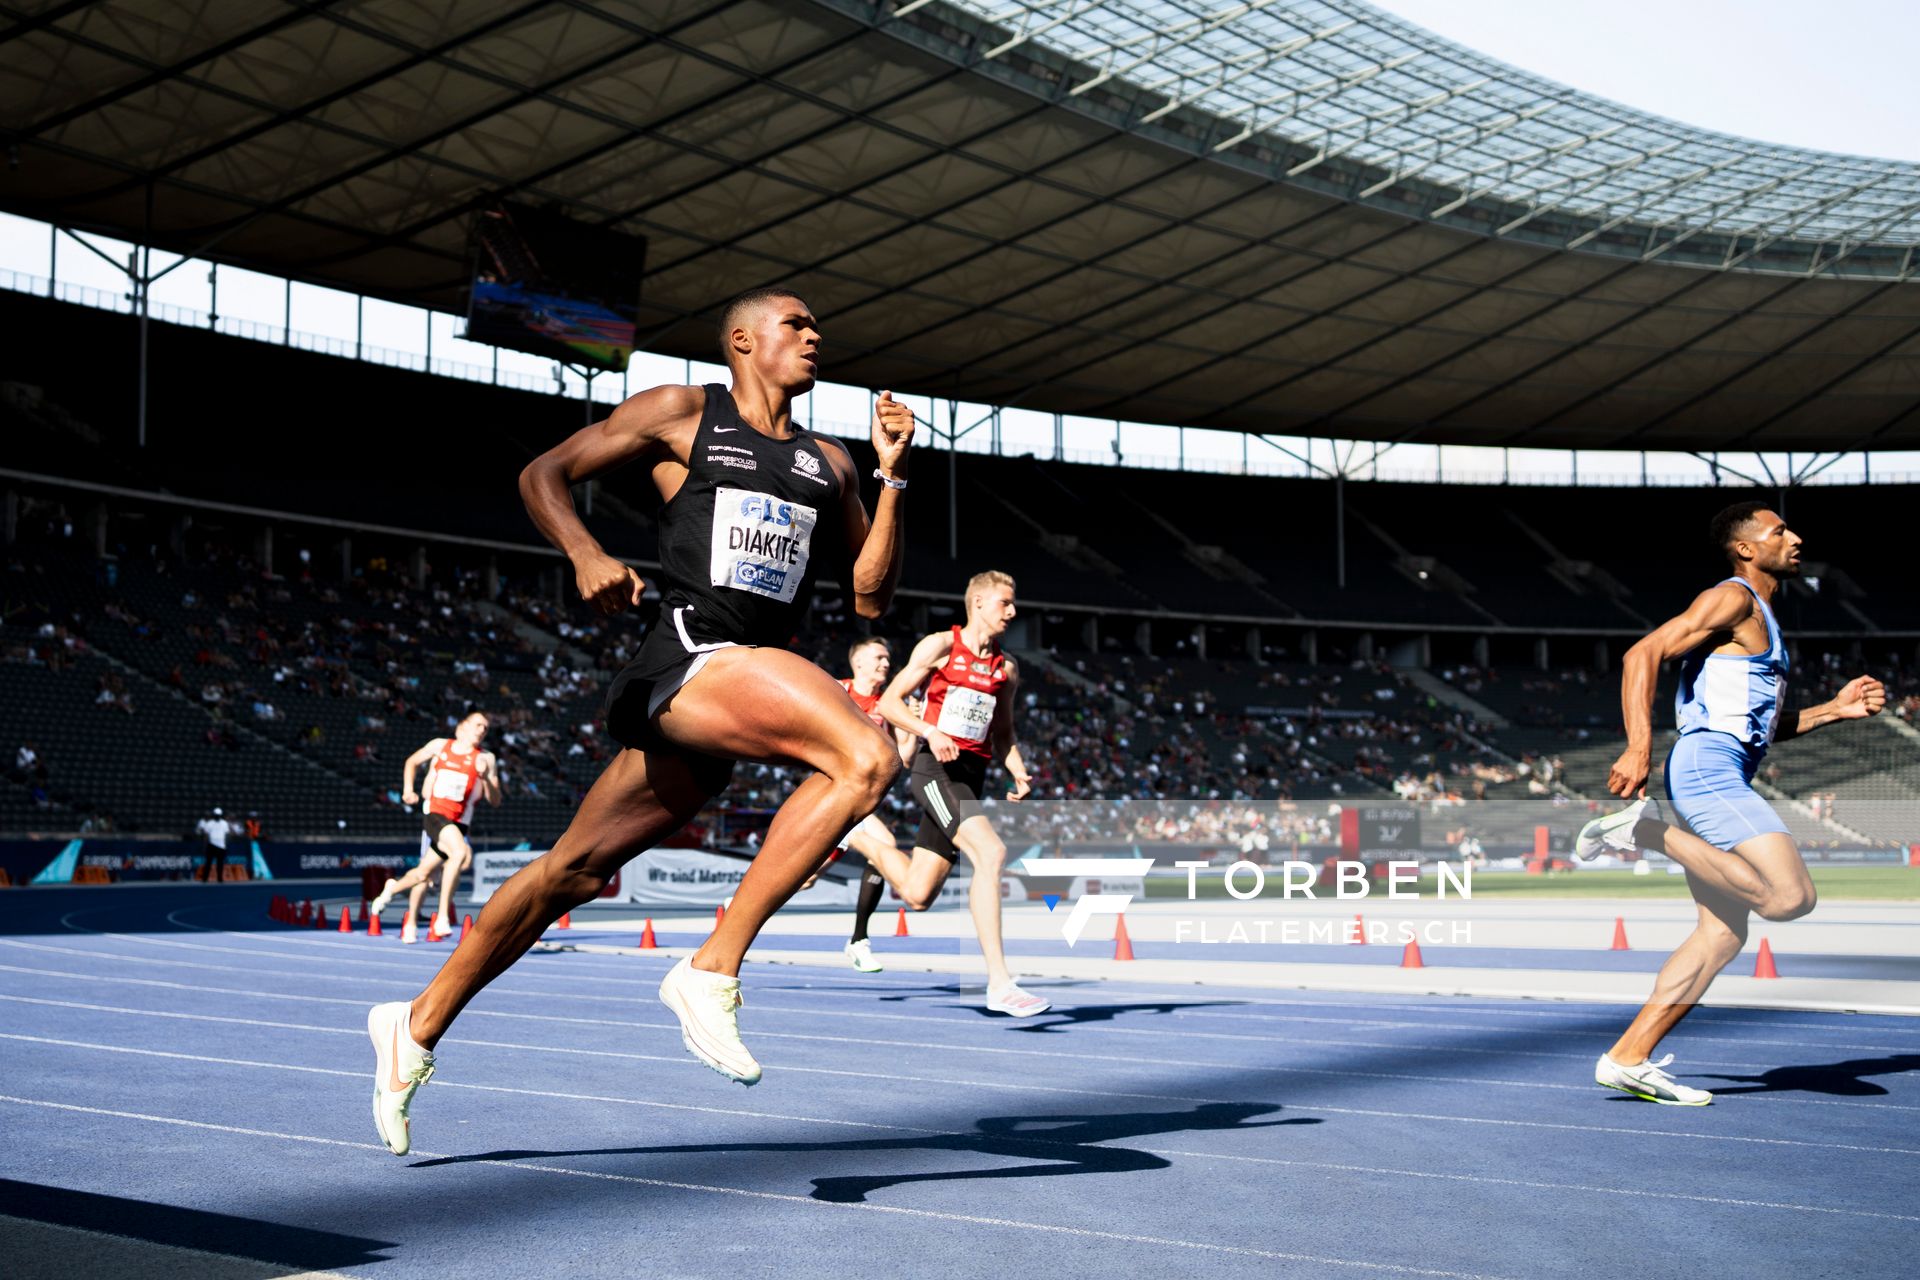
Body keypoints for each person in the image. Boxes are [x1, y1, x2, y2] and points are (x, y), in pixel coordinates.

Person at [367, 287, 913, 1156]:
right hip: (690, 660)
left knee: (569, 875)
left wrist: (889, 474)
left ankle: (414, 1025)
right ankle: (710, 970)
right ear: (742, 338)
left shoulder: (831, 462)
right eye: (796, 325)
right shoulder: (683, 412)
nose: (817, 336)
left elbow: (871, 594)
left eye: (818, 325)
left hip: (739, 689)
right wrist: (585, 551)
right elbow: (540, 473)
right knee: (866, 758)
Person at [1575, 502, 1885, 1105]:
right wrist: (1638, 748)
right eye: (1779, 532)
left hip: (1724, 762)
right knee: (1790, 897)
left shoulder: (1760, 615)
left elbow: (1758, 724)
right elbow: (1642, 655)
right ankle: (1641, 831)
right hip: (1708, 769)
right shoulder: (1733, 598)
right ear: (1746, 548)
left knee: (1719, 936)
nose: (1794, 538)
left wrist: (1834, 710)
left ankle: (1627, 1058)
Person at [865, 570, 1050, 1016]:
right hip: (934, 768)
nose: (1012, 611)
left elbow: (1003, 735)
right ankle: (999, 983)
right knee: (990, 853)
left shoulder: (1006, 668)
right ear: (979, 603)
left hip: (971, 776)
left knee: (917, 894)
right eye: (1005, 602)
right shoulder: (940, 647)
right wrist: (930, 729)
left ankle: (859, 840)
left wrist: (1019, 773)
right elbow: (889, 703)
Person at [828, 636, 919, 973]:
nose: (885, 663)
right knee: (806, 878)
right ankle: (740, 906)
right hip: (828, 792)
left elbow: (906, 758)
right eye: (879, 657)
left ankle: (858, 940)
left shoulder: (888, 705)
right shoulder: (837, 690)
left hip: (860, 800)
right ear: (859, 662)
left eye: (888, 658)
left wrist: (913, 728)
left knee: (884, 847)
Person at [371, 713, 501, 943]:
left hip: (460, 823)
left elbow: (496, 800)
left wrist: (487, 779)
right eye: (478, 725)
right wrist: (408, 789)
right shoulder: (441, 746)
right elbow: (411, 762)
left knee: (424, 873)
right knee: (460, 854)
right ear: (462, 727)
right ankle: (440, 917)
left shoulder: (486, 758)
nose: (482, 730)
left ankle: (392, 888)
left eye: (486, 728)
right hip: (435, 814)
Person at [194, 807, 232, 883]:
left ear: (220, 815)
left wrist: (226, 845)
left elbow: (227, 834)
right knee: (208, 863)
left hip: (221, 845)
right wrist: (205, 846)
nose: (217, 816)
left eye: (218, 815)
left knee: (220, 863)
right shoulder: (209, 823)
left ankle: (220, 878)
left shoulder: (224, 823)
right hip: (211, 845)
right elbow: (206, 835)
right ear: (214, 815)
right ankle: (205, 878)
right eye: (216, 815)